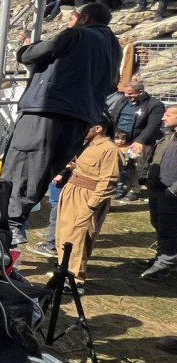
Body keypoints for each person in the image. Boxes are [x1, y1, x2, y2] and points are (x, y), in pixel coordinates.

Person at [2, 2, 122, 245]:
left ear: (84, 18)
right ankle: (16, 222)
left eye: (71, 18)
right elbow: (111, 85)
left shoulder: (77, 34)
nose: (68, 23)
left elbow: (31, 55)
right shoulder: (114, 48)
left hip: (47, 110)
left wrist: (27, 46)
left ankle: (9, 224)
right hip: (81, 118)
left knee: (23, 165)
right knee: (45, 169)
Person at [55, 118, 122, 286]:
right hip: (73, 192)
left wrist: (91, 205)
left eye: (86, 126)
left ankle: (75, 280)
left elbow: (108, 182)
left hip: (87, 197)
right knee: (65, 234)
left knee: (79, 237)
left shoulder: (110, 150)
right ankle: (64, 270)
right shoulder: (89, 145)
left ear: (98, 128)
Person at [140, 105, 177, 280]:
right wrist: (144, 176)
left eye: (168, 115)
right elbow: (154, 157)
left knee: (169, 229)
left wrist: (173, 190)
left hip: (171, 193)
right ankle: (161, 257)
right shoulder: (168, 136)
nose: (163, 118)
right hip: (157, 188)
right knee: (160, 225)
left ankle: (165, 265)